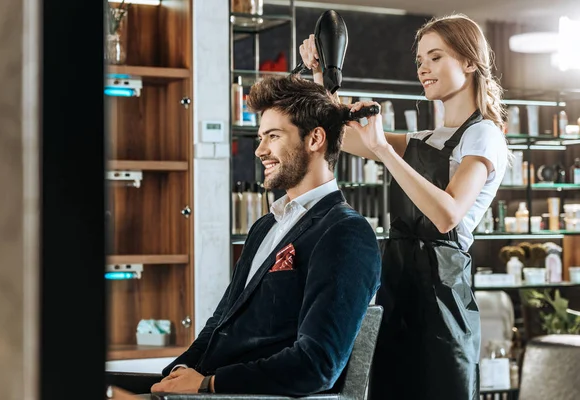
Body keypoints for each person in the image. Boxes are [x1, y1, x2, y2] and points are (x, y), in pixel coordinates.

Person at [300, 13, 510, 399]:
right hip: (397, 291)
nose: (423, 69)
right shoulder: (424, 138)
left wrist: (383, 149)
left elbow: (447, 212)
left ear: (468, 61)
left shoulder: (484, 135)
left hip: (441, 304)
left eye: (435, 57)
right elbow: (342, 138)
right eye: (419, 61)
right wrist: (320, 77)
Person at [150, 75, 382, 396]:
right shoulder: (264, 226)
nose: (260, 150)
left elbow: (316, 364)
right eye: (260, 138)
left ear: (315, 139)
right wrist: (175, 374)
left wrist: (208, 384)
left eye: (273, 136)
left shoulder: (345, 233)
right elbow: (220, 323)